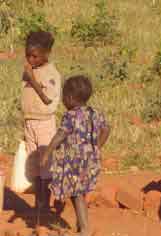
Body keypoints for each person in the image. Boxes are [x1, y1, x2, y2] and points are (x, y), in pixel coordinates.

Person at [41, 75, 110, 236]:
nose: (63, 101)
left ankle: (85, 230)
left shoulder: (70, 116)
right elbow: (107, 129)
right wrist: (97, 146)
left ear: (70, 98)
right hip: (90, 161)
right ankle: (81, 225)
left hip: (75, 163)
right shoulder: (95, 113)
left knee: (77, 194)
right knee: (78, 193)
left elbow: (60, 135)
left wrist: (47, 152)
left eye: (63, 97)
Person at [21, 31, 61, 212]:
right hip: (30, 121)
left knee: (46, 165)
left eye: (35, 56)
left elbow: (48, 100)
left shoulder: (50, 74)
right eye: (27, 55)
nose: (30, 59)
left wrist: (32, 80)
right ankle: (39, 202)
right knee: (34, 164)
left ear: (46, 54)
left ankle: (45, 203)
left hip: (44, 123)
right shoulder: (31, 70)